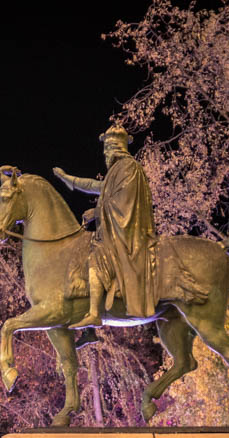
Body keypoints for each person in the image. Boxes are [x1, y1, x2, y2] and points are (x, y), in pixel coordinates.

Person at [53, 125, 158, 329]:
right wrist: (69, 179)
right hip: (118, 229)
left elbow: (123, 202)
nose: (104, 155)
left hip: (126, 232)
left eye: (106, 150)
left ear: (113, 148)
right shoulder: (117, 171)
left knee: (96, 256)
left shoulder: (128, 167)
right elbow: (96, 187)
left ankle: (94, 313)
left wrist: (97, 212)